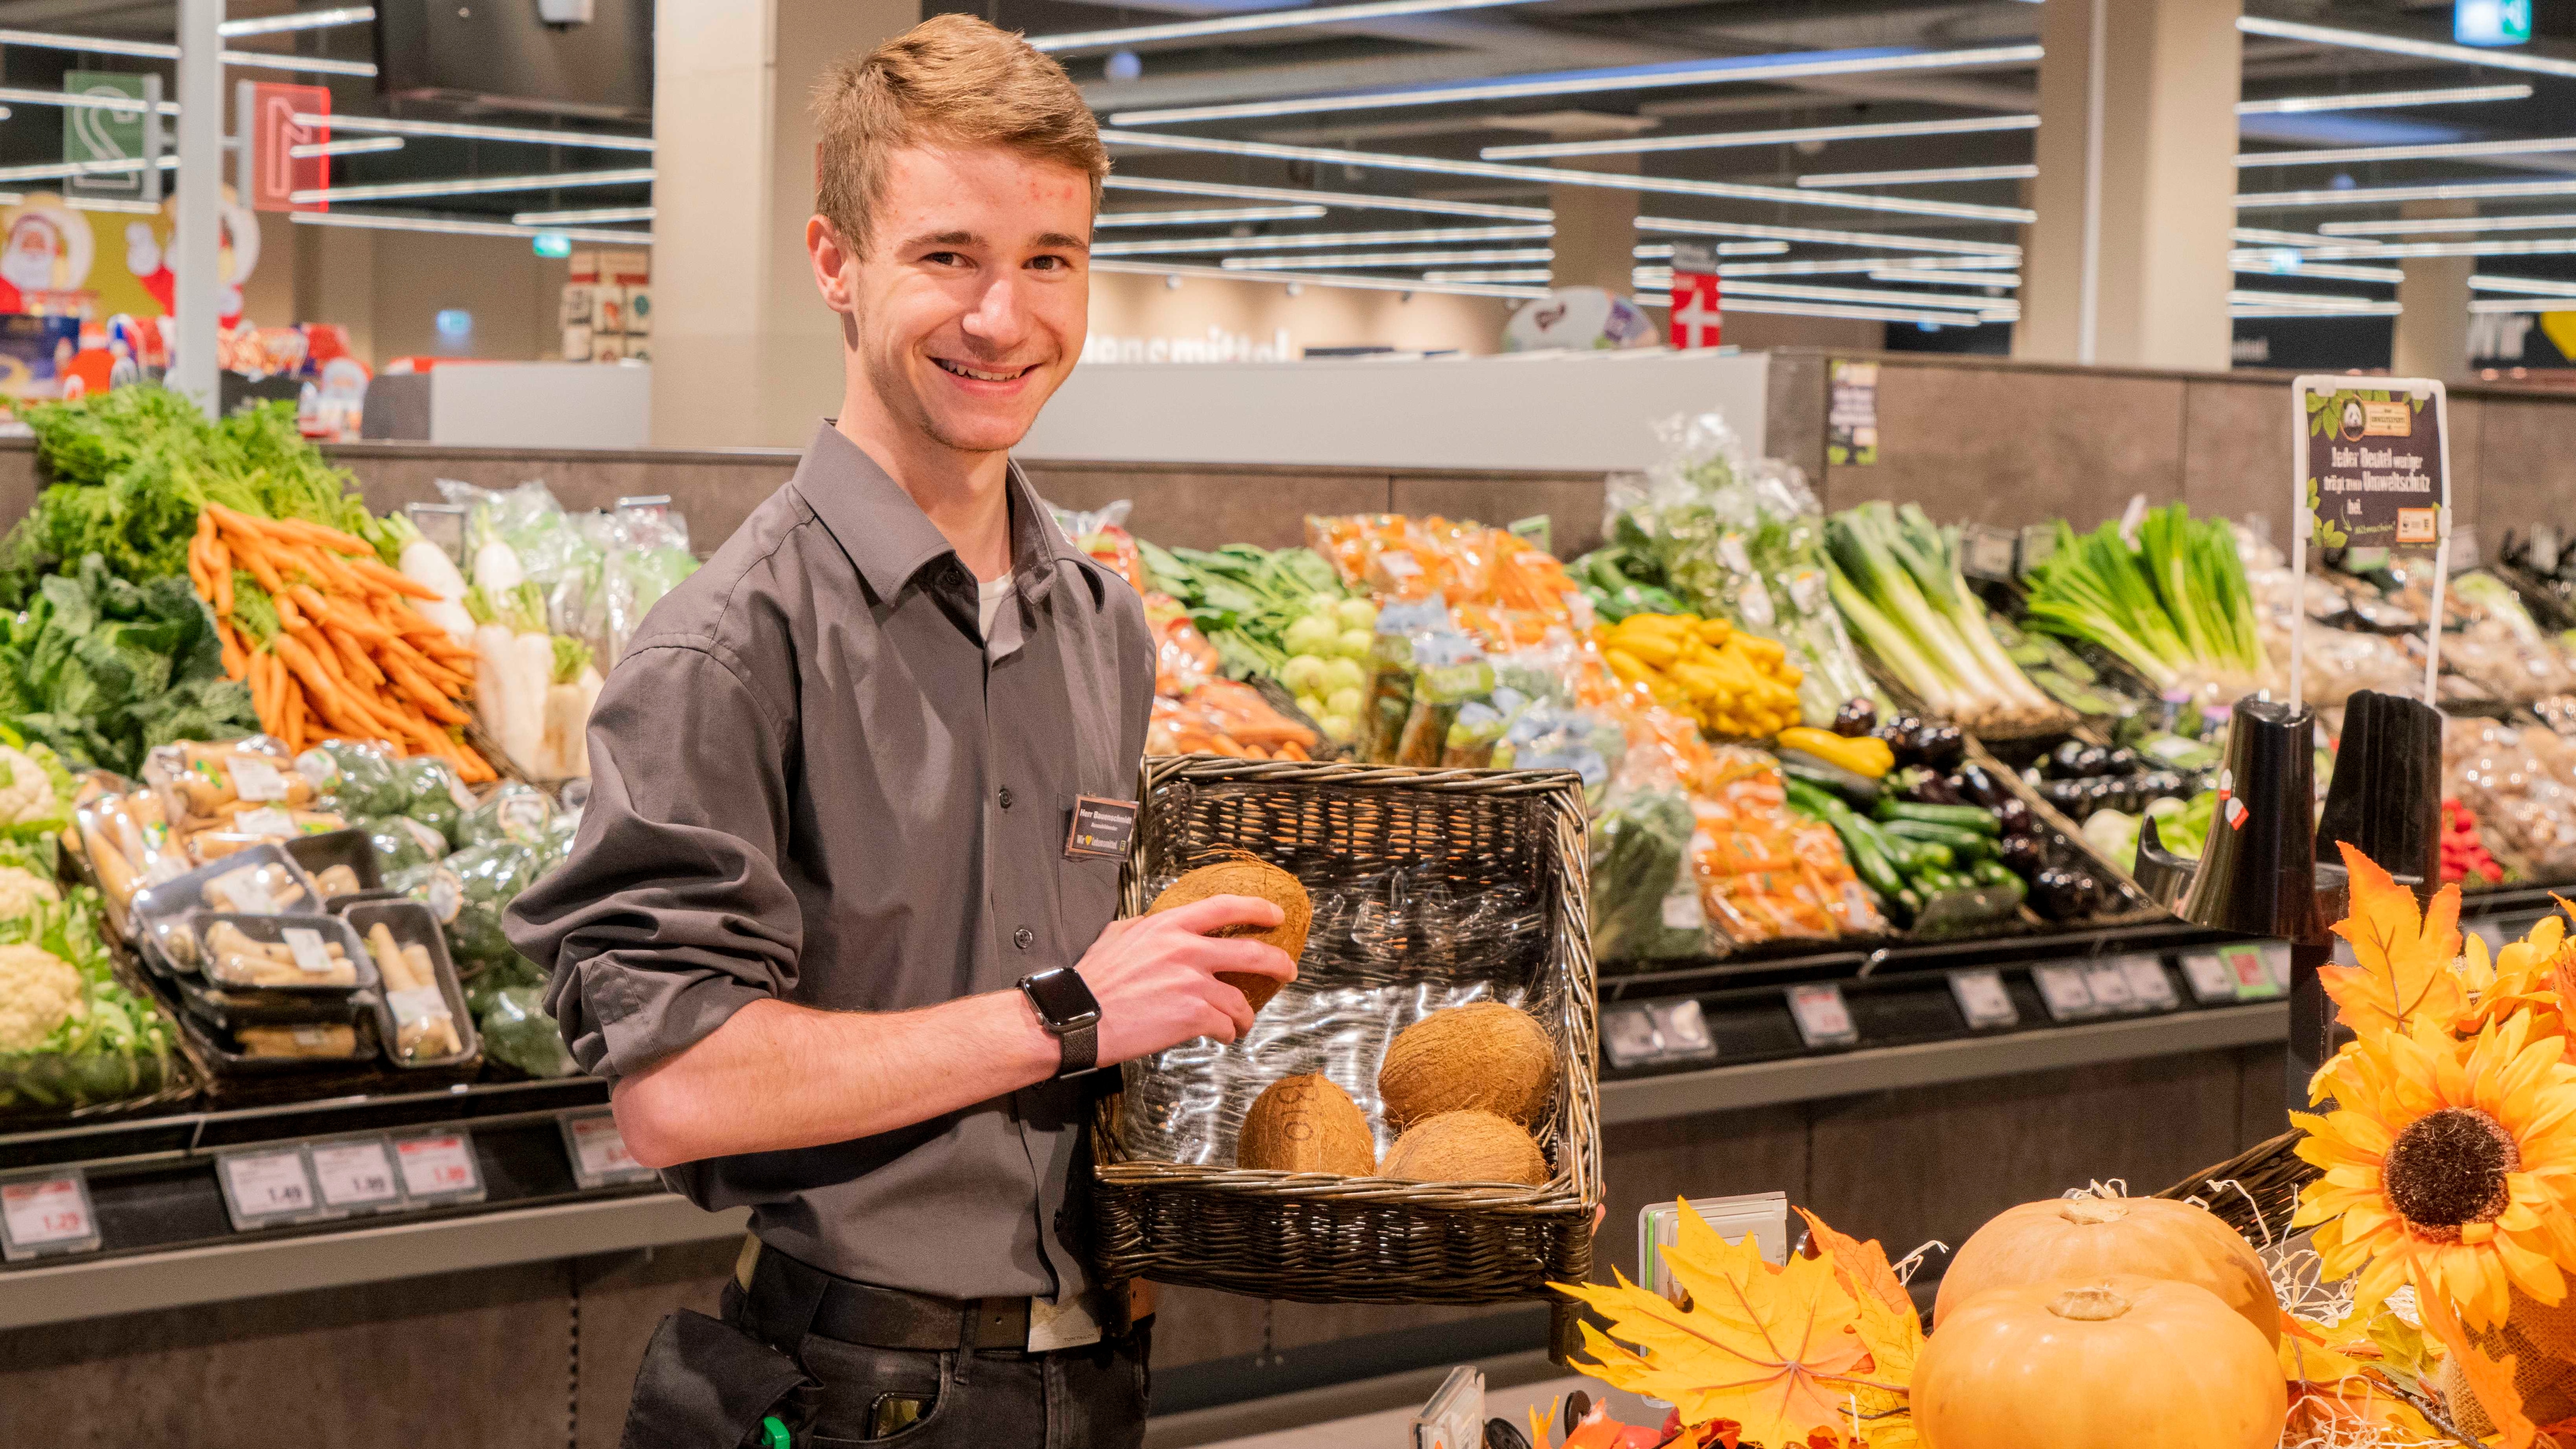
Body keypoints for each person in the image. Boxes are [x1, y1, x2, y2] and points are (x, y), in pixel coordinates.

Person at [504, 16, 1297, 1448]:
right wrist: (1068, 1016)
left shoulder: (1101, 625)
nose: (1004, 318)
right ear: (835, 263)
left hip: (1099, 1378)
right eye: (948, 258)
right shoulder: (727, 645)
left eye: (1048, 262)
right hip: (854, 1395)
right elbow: (675, 1094)